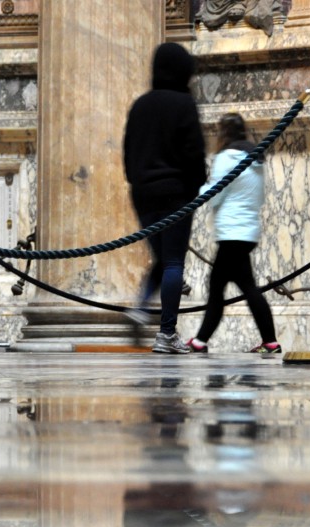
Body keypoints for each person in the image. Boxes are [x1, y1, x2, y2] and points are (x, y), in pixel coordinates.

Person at [123, 42, 207, 354]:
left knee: (162, 258)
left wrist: (137, 183)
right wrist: (196, 187)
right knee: (173, 262)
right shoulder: (183, 104)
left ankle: (142, 305)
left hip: (143, 194)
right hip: (176, 193)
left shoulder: (140, 105)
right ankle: (167, 333)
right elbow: (194, 153)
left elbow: (128, 151)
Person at [186, 112, 281, 354]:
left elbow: (215, 195)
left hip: (231, 232)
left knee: (223, 287)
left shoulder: (226, 157)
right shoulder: (255, 158)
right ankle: (267, 341)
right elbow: (257, 197)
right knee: (240, 286)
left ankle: (201, 341)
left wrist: (197, 188)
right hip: (247, 232)